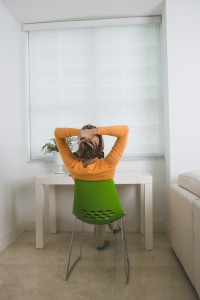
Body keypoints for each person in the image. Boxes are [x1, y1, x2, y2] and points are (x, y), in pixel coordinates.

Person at [54, 124, 129, 250]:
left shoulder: (72, 165)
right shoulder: (108, 164)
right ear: (99, 146)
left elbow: (57, 133)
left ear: (80, 144)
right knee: (104, 206)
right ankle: (115, 227)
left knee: (99, 205)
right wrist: (93, 132)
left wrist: (82, 133)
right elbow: (125, 131)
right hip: (108, 211)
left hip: (84, 212)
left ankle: (104, 239)